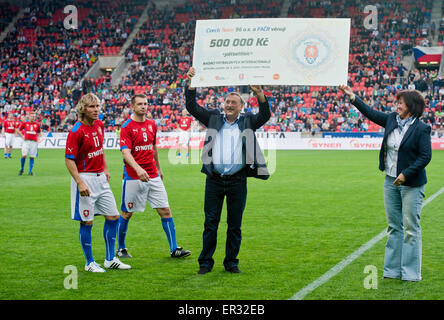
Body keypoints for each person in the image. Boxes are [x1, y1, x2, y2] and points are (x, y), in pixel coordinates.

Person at [339, 84, 432, 281]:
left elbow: (425, 156)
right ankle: (391, 271)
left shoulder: (422, 128)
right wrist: (353, 97)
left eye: (401, 103)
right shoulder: (391, 119)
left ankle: (410, 273)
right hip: (390, 181)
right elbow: (370, 113)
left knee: (411, 228)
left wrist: (406, 174)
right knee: (394, 227)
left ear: (411, 106)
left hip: (411, 184)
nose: (397, 105)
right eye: (397, 102)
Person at [185, 67, 271, 274]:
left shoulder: (248, 121)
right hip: (214, 180)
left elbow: (265, 115)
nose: (229, 105)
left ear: (241, 106)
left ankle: (231, 263)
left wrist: (260, 94)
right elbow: (192, 107)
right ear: (223, 105)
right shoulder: (214, 118)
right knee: (210, 224)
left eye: (234, 103)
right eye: (227, 102)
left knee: (235, 225)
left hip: (237, 181)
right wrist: (190, 85)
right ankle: (205, 263)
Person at [117, 94, 191, 259]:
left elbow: (153, 147)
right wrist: (137, 169)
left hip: (152, 175)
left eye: (145, 103)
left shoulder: (151, 124)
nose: (143, 106)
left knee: (165, 210)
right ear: (133, 106)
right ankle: (121, 248)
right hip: (133, 177)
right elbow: (125, 152)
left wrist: (159, 169)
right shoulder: (127, 127)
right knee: (127, 213)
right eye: (140, 104)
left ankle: (174, 249)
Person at [65, 93, 131, 272]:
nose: (96, 110)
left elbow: (99, 149)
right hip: (84, 179)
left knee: (114, 216)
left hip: (100, 178)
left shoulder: (100, 125)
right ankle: (89, 263)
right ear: (83, 109)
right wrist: (80, 183)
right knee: (87, 222)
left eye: (97, 106)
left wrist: (106, 168)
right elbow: (69, 160)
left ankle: (110, 259)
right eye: (92, 107)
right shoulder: (76, 131)